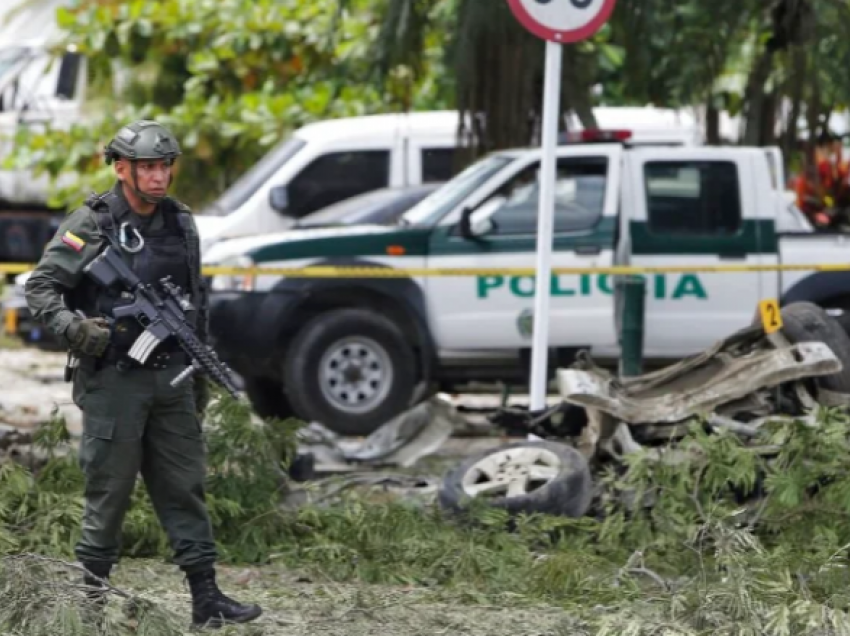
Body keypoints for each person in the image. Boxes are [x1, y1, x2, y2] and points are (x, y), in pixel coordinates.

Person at [24, 120, 263, 629]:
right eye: (148, 167)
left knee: (185, 487)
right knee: (108, 493)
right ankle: (89, 607)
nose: (159, 177)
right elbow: (41, 287)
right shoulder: (91, 223)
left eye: (164, 166)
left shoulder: (181, 222)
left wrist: (197, 374)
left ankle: (206, 599)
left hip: (171, 377)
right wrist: (77, 330)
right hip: (114, 382)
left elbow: (194, 302)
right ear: (121, 168)